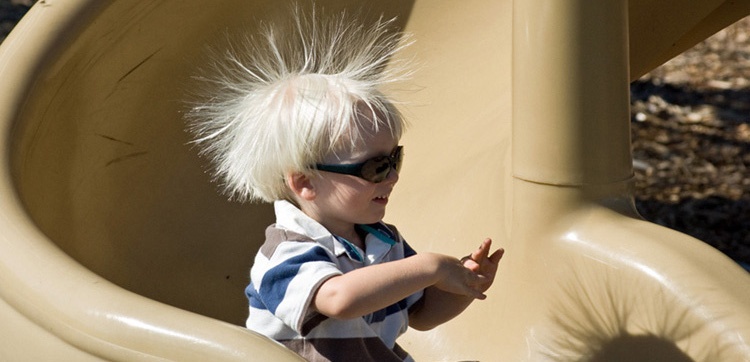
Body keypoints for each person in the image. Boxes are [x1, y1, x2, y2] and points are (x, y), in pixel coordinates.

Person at [187, 5, 504, 361]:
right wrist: (431, 267)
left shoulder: (383, 241)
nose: (394, 176)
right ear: (306, 182)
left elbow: (422, 316)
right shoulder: (286, 252)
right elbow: (339, 299)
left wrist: (460, 288)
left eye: (394, 159)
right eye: (375, 167)